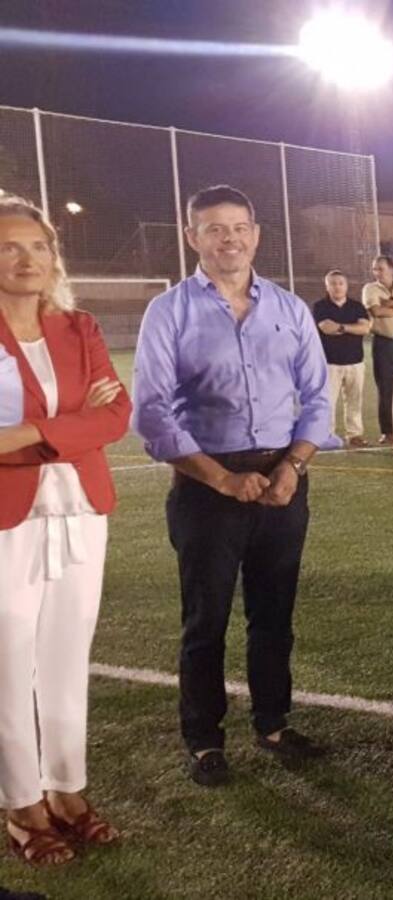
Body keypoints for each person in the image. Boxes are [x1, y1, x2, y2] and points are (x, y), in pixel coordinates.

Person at [131, 184, 331, 787]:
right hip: (205, 487)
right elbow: (152, 414)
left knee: (275, 615)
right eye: (214, 228)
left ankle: (273, 723)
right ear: (193, 237)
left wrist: (291, 467)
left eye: (239, 226)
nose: (229, 239)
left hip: (281, 482)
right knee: (206, 619)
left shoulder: (290, 309)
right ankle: (203, 739)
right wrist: (221, 478)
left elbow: (318, 399)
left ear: (257, 234)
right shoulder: (170, 311)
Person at [0, 197, 129, 864]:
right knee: (6, 663)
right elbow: (84, 420)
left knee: (63, 659)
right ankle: (22, 806)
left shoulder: (77, 328)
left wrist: (30, 431)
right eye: (10, 247)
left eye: (38, 247)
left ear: (55, 257)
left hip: (81, 511)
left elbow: (116, 416)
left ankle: (68, 791)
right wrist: (70, 424)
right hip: (7, 521)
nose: (27, 260)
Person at [312, 269, 371, 448]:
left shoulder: (356, 306)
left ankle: (354, 435)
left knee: (355, 400)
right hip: (330, 363)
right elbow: (325, 327)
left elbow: (365, 328)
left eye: (340, 283)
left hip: (356, 361)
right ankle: (327, 435)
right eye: (333, 284)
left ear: (346, 286)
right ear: (327, 287)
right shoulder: (320, 306)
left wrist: (341, 327)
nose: (337, 287)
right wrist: (351, 327)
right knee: (329, 402)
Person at [361, 255, 393, 445]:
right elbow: (376, 312)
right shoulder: (369, 289)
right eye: (374, 269)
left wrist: (390, 303)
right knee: (386, 388)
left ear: (391, 269)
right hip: (383, 343)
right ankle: (388, 432)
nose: (377, 272)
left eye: (380, 268)